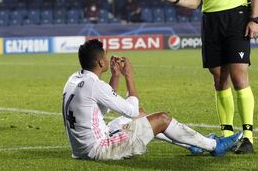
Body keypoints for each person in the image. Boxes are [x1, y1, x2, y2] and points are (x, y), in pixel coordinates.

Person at [162, 0, 258, 154]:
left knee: (239, 75)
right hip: (211, 21)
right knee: (219, 79)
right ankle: (227, 134)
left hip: (237, 18)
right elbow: (195, 1)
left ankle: (247, 136)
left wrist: (254, 18)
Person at [62, 39, 242, 161]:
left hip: (83, 148)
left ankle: (193, 145)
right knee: (161, 118)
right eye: (105, 56)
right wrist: (129, 76)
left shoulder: (75, 79)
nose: (108, 59)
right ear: (101, 63)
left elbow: (105, 105)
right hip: (100, 149)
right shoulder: (95, 86)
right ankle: (214, 146)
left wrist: (115, 75)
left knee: (142, 116)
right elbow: (130, 109)